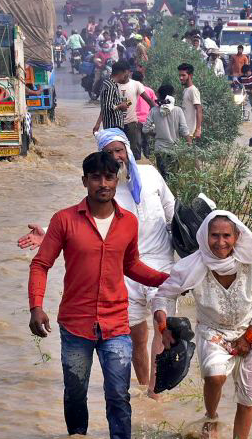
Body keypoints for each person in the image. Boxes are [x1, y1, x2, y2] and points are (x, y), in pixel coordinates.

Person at [28, 151, 169, 439]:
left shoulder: (128, 222)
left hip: (116, 323)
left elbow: (131, 265)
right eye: (96, 178)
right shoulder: (64, 220)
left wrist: (165, 280)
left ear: (116, 182)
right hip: (76, 325)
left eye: (108, 177)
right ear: (85, 182)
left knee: (118, 393)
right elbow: (41, 264)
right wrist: (36, 306)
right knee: (76, 393)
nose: (103, 184)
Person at [20, 129, 176, 399]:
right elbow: (84, 222)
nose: (116, 157)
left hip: (160, 262)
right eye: (109, 153)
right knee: (137, 335)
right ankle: (143, 387)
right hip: (125, 271)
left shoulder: (150, 176)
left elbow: (172, 211)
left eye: (119, 150)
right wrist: (47, 231)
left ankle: (154, 392)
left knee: (162, 324)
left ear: (127, 150)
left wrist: (186, 266)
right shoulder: (105, 191)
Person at [152, 211, 252, 439]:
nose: (220, 242)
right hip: (212, 331)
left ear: (237, 237)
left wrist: (250, 336)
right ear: (205, 236)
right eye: (214, 235)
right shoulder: (192, 266)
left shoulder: (250, 265)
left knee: (249, 396)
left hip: (250, 332)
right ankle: (211, 417)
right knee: (215, 375)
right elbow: (164, 295)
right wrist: (163, 325)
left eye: (227, 235)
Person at [143, 84, 191, 179]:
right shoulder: (178, 110)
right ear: (172, 96)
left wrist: (155, 133)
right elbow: (184, 130)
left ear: (159, 96)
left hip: (160, 150)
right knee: (174, 177)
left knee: (163, 177)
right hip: (174, 150)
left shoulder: (154, 111)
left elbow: (145, 129)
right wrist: (190, 144)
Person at [113, 60, 155, 160]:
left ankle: (134, 170)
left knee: (134, 149)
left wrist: (159, 115)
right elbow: (106, 106)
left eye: (121, 72)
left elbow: (149, 100)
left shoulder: (136, 85)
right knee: (116, 150)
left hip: (132, 123)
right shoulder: (112, 86)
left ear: (127, 72)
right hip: (116, 123)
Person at [93, 60, 128, 133]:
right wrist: (120, 106)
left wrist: (98, 123)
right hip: (114, 125)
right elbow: (108, 107)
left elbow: (105, 105)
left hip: (111, 125)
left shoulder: (108, 84)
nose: (125, 76)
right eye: (125, 74)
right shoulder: (111, 86)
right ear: (121, 73)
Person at [133, 71, 155, 159]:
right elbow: (154, 105)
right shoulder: (149, 91)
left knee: (137, 143)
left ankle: (138, 160)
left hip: (135, 121)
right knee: (146, 142)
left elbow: (127, 104)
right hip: (147, 120)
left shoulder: (130, 91)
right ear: (142, 79)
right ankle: (147, 158)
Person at [178, 63, 203, 140]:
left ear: (190, 75)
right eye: (179, 75)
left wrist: (198, 130)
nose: (181, 78)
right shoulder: (186, 90)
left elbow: (199, 109)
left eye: (183, 75)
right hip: (184, 130)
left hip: (190, 132)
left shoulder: (193, 90)